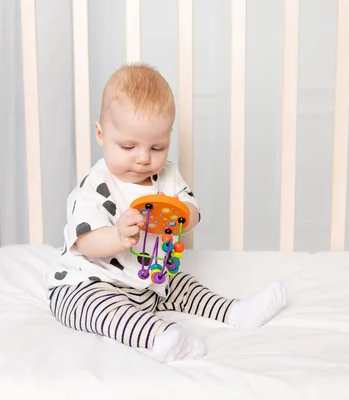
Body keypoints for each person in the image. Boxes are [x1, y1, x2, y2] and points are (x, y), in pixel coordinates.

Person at [47, 63, 287, 362]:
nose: (144, 158)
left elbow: (193, 210)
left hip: (149, 280)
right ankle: (161, 336)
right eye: (128, 146)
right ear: (101, 134)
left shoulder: (167, 177)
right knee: (99, 309)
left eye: (157, 147)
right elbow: (86, 243)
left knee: (181, 284)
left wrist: (182, 213)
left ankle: (236, 311)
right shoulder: (95, 187)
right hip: (90, 283)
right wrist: (118, 235)